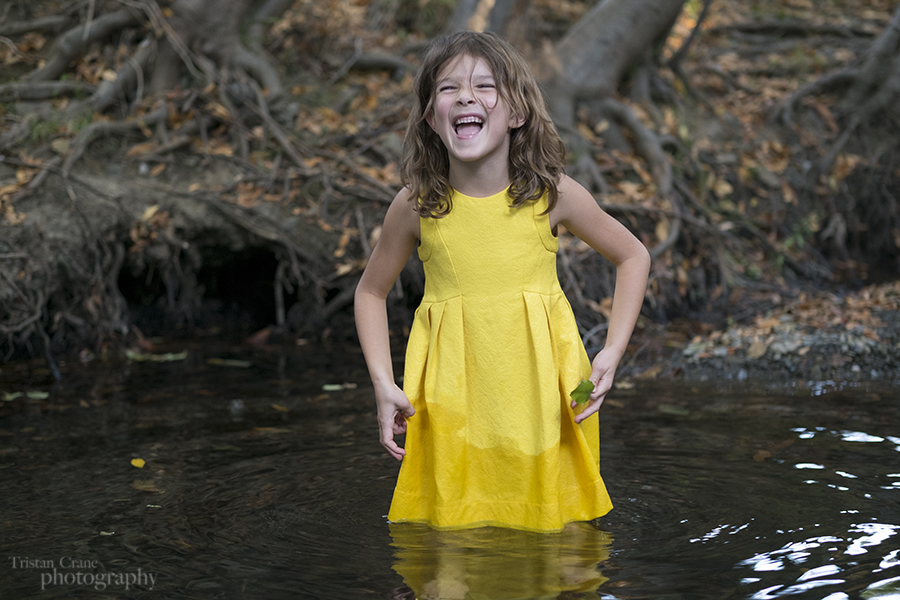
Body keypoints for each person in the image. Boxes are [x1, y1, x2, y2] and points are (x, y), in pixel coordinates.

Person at [354, 31, 650, 533]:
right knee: (452, 535)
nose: (466, 96)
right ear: (431, 118)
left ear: (517, 113)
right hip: (451, 397)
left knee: (561, 532)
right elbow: (370, 291)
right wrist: (384, 384)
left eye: (484, 86)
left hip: (546, 393)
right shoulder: (416, 205)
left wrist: (611, 353)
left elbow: (633, 256)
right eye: (448, 89)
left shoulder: (553, 196)